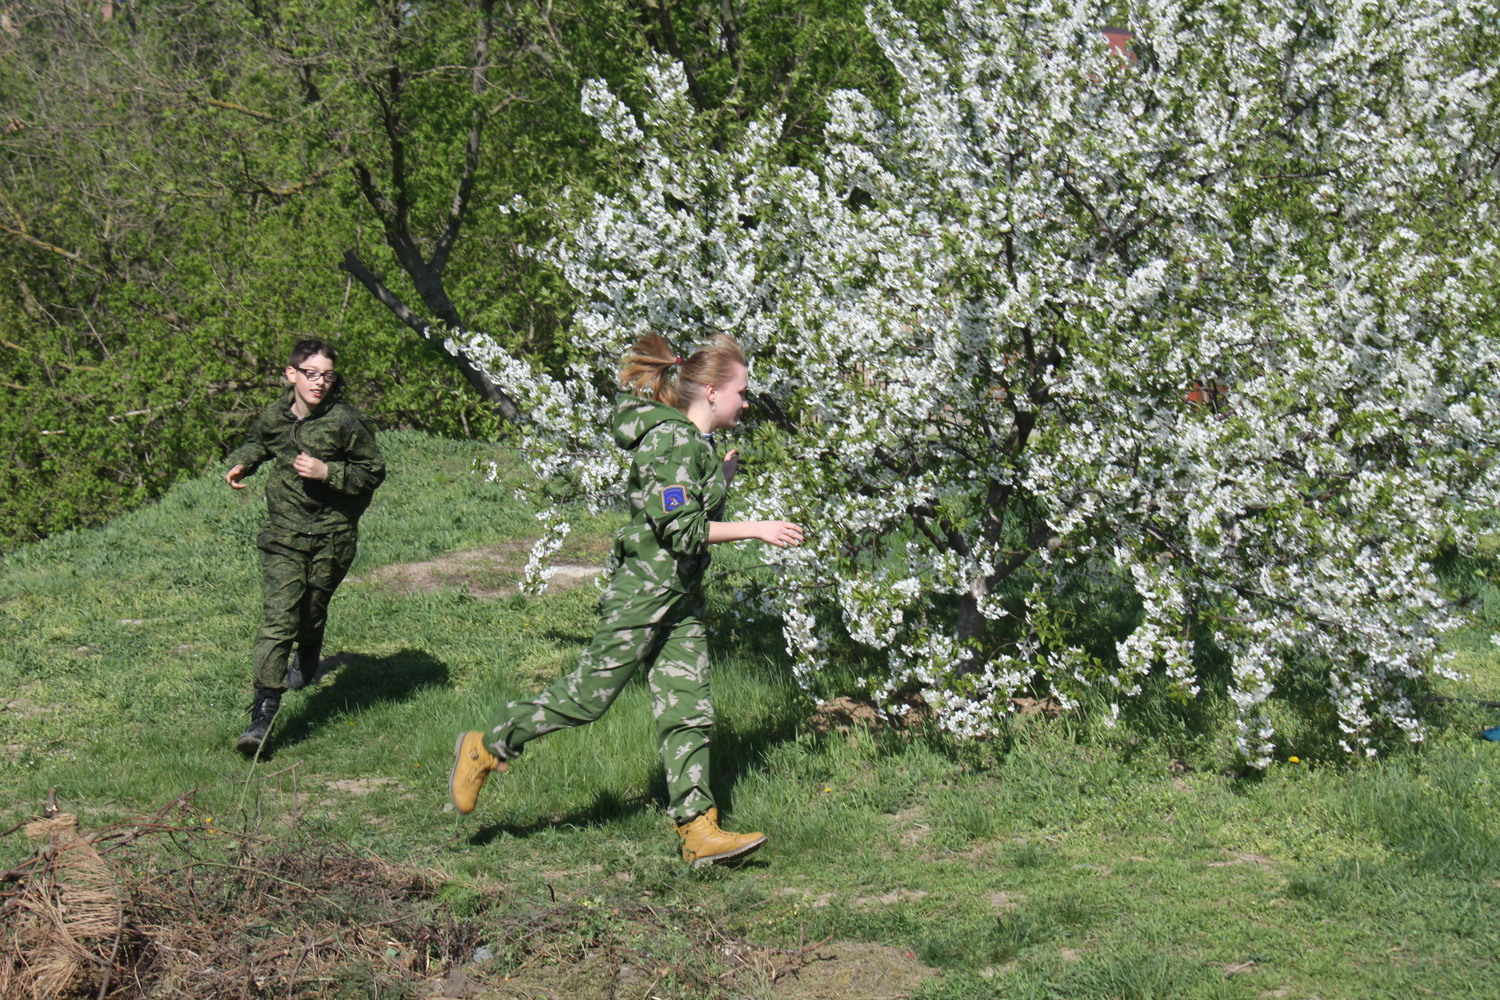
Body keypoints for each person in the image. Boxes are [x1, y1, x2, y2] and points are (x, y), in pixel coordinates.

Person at [448, 332, 803, 867]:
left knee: (689, 710)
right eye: (742, 391)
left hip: (679, 599)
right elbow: (681, 530)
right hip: (642, 596)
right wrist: (756, 527)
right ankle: (487, 743)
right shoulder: (673, 441)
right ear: (711, 391)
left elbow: (684, 506)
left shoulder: (695, 444)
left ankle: (698, 829)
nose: (747, 402)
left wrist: (721, 479)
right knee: (587, 699)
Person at [224, 339, 386, 754]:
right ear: (291, 374)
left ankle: (310, 648)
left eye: (327, 375)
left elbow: (372, 472)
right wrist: (244, 461)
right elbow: (261, 441)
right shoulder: (276, 415)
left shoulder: (347, 421)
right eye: (311, 374)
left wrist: (327, 471)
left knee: (310, 612)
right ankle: (262, 716)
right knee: (279, 619)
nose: (319, 383)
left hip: (333, 536)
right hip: (284, 533)